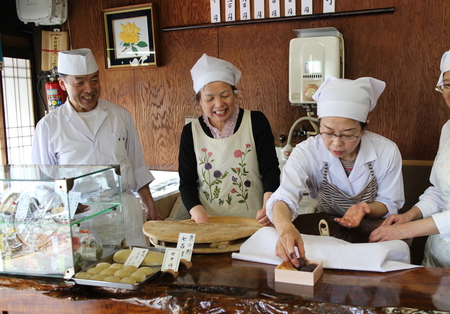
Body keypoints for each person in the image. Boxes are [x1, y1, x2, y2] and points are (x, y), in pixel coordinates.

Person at [369, 43, 450, 271]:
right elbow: (439, 191)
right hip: (438, 258)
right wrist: (410, 215)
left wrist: (407, 230)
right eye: (447, 86)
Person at [267, 76, 404, 267]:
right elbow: (284, 197)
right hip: (326, 231)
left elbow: (389, 202)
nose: (337, 143)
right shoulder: (307, 152)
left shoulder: (386, 151)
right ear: (319, 122)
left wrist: (366, 208)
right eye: (328, 132)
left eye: (348, 134)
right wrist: (286, 228)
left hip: (371, 235)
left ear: (364, 124)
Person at [31, 48, 162, 246]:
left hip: (124, 211)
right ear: (62, 84)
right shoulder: (49, 126)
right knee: (92, 272)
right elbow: (44, 182)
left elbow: (137, 165)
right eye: (79, 82)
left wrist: (150, 206)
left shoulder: (120, 115)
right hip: (81, 218)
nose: (89, 89)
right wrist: (61, 208)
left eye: (94, 80)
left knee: (135, 272)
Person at [178, 54, 280, 225]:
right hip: (210, 222)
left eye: (225, 95)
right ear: (199, 102)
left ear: (235, 94)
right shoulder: (191, 132)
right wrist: (197, 213)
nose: (219, 104)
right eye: (209, 98)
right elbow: (187, 183)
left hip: (256, 220)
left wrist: (269, 205)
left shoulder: (255, 121)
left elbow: (270, 169)